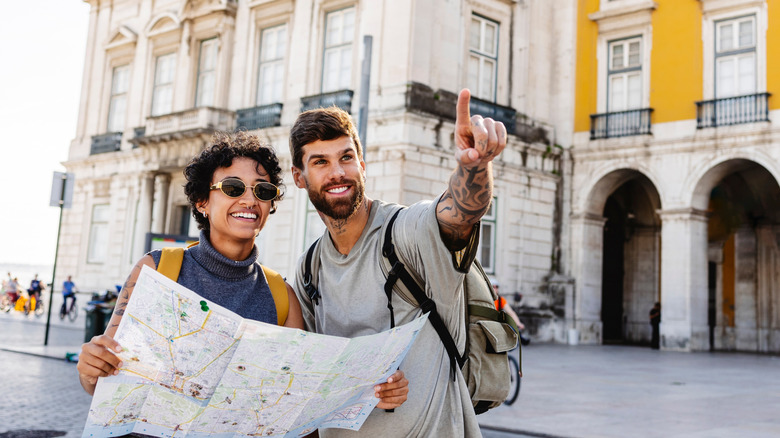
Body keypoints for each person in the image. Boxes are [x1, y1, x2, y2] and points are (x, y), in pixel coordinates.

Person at [75, 132, 409, 422]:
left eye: (263, 191)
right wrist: (91, 368)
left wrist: (372, 392)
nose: (249, 199)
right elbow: (102, 381)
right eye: (233, 187)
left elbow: (302, 399)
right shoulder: (157, 270)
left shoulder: (282, 296)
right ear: (203, 201)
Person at [289, 88, 505, 437]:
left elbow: (458, 214)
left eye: (346, 157)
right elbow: (308, 376)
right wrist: (360, 388)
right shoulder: (308, 267)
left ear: (361, 163)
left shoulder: (407, 232)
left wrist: (475, 167)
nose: (337, 172)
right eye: (320, 162)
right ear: (300, 178)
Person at [491, 278, 530, 346]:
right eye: (493, 287)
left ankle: (519, 337)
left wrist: (518, 324)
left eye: (496, 287)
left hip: (497, 325)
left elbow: (511, 312)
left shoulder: (501, 300)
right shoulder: (486, 299)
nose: (495, 289)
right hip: (487, 324)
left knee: (510, 327)